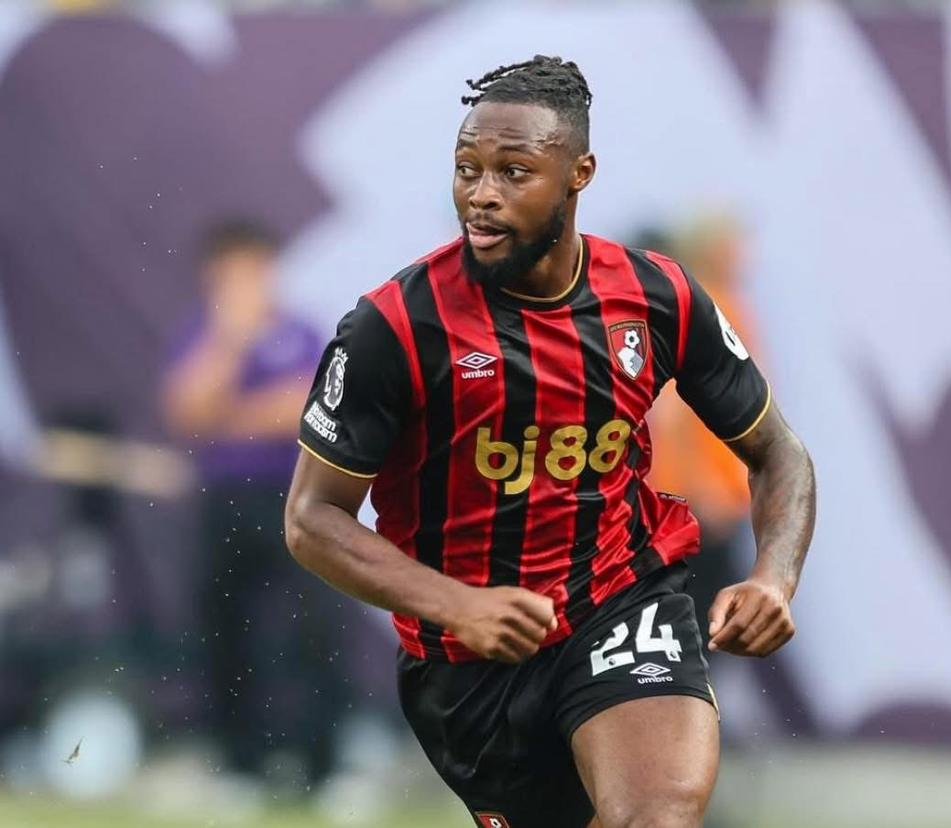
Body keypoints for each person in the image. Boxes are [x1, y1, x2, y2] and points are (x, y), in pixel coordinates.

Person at [285, 57, 816, 828]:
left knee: (656, 816)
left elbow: (778, 452)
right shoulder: (393, 326)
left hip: (622, 602)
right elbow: (311, 519)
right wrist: (459, 604)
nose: (482, 193)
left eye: (513, 171)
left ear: (579, 175)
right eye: (467, 169)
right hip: (470, 662)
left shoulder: (657, 296)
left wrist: (773, 578)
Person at [162, 220, 339, 787]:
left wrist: (227, 417)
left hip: (294, 499)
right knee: (223, 628)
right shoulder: (202, 336)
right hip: (223, 502)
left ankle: (320, 764)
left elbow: (305, 408)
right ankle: (237, 763)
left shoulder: (301, 331)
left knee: (312, 627)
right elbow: (187, 412)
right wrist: (231, 341)